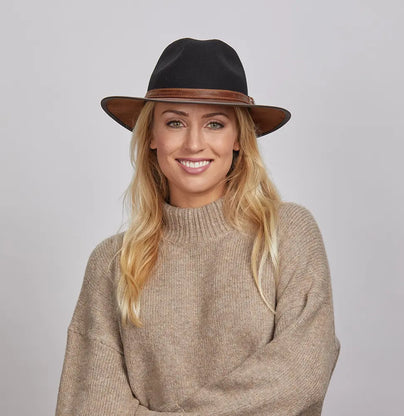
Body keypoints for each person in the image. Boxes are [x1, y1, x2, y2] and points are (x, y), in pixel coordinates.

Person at [55, 38, 340, 416]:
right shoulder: (112, 262)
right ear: (152, 137)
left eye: (214, 124)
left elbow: (301, 374)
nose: (193, 143)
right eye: (175, 122)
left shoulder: (287, 234)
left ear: (238, 137)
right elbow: (88, 404)